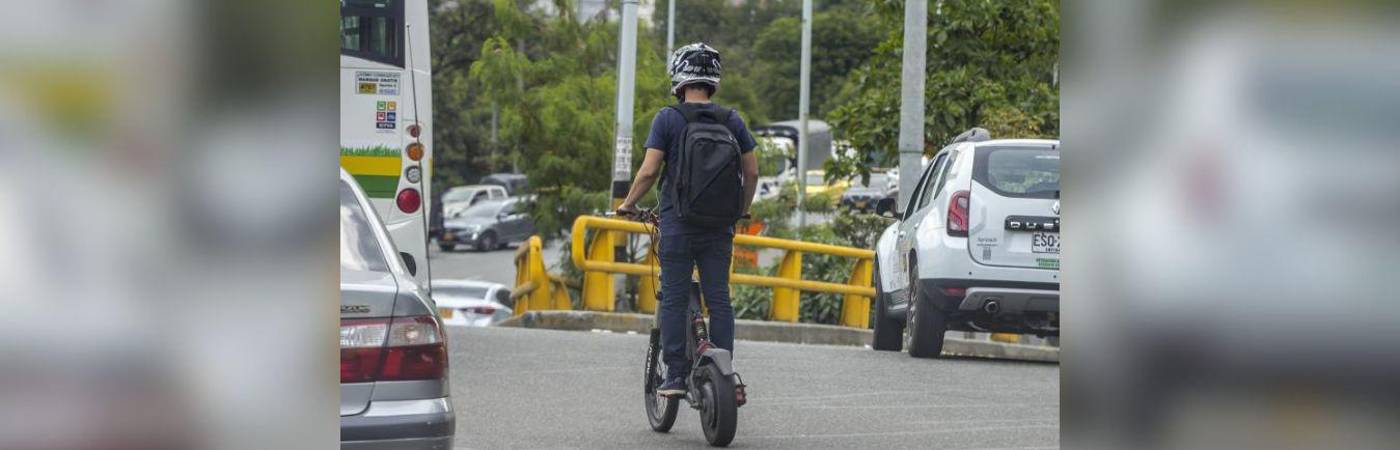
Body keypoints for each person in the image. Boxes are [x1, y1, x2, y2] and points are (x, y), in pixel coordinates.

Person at [617, 43, 760, 397]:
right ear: (714, 80)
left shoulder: (669, 118)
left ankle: (676, 375)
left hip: (678, 225)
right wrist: (741, 209)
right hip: (719, 227)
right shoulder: (732, 120)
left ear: (679, 79)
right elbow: (752, 171)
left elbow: (650, 171)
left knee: (675, 298)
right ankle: (725, 368)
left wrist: (628, 204)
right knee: (719, 299)